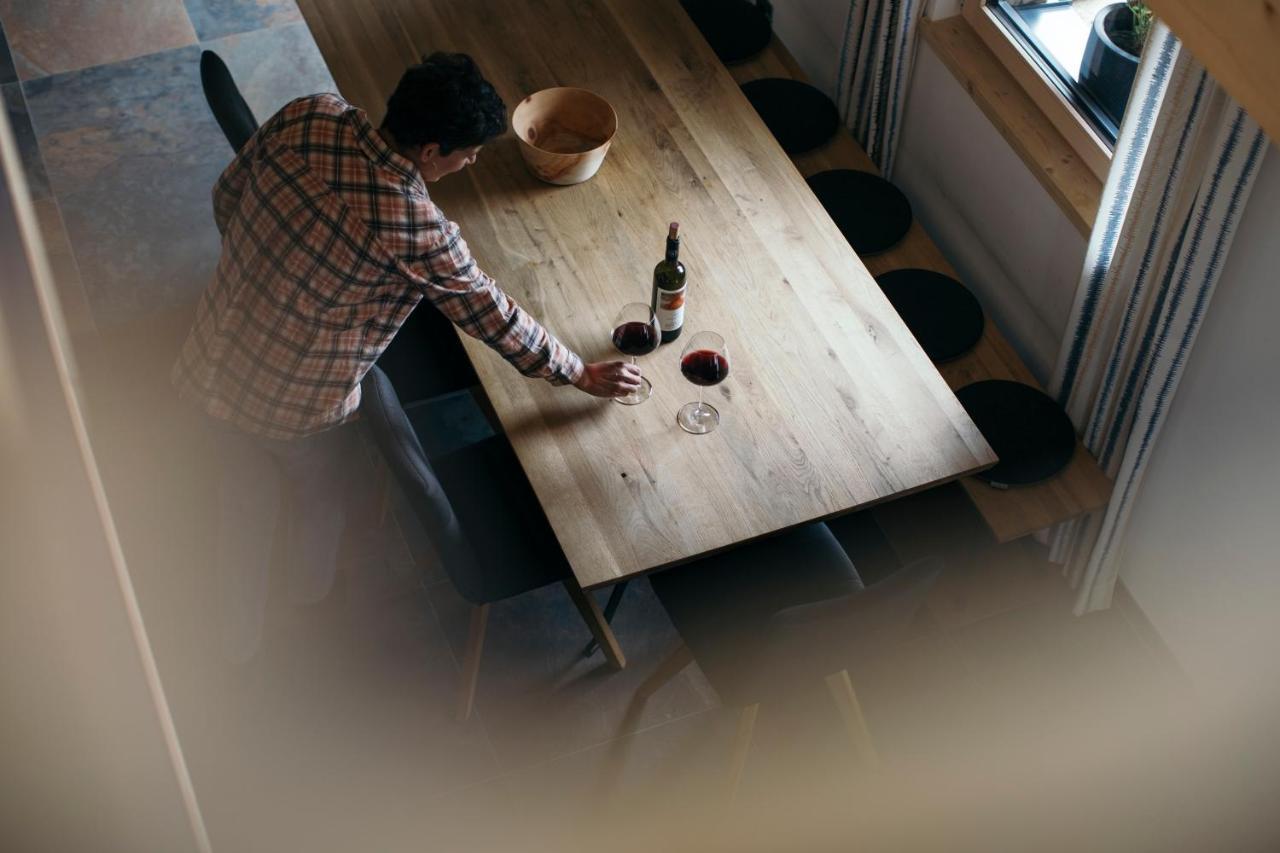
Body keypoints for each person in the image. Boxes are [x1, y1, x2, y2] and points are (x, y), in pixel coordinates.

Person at [174, 53, 640, 663]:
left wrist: (264, 260)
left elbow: (227, 195)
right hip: (292, 407)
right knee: (310, 494)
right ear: (429, 150)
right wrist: (577, 371)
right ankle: (306, 605)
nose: (470, 163)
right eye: (466, 153)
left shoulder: (310, 114)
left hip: (208, 354)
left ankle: (233, 640)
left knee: (236, 494)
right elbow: (492, 313)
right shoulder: (417, 229)